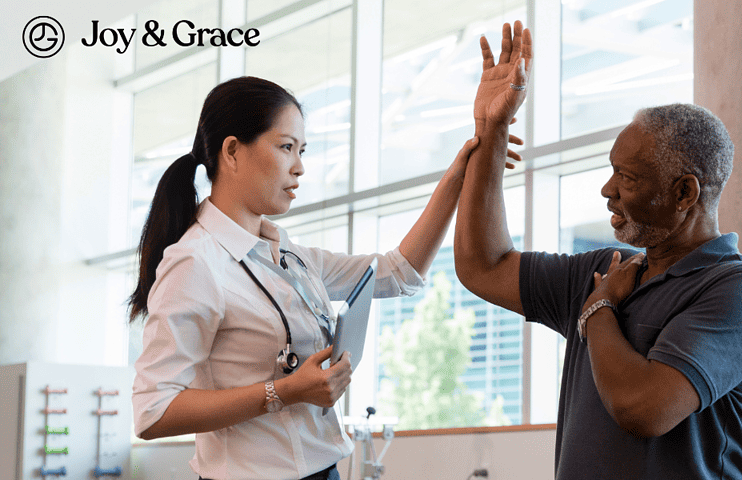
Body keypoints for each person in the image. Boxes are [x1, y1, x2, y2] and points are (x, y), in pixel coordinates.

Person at [128, 76, 520, 479]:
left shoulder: (289, 256)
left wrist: (459, 176)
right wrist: (284, 392)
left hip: (324, 470)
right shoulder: (195, 263)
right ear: (232, 151)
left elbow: (397, 273)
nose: (299, 167)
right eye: (286, 147)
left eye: (302, 150)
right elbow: (153, 411)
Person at [454, 21, 742, 479]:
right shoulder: (605, 268)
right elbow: (482, 267)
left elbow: (644, 409)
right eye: (612, 171)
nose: (608, 190)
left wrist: (600, 310)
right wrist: (492, 130)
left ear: (684, 193)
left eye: (627, 178)